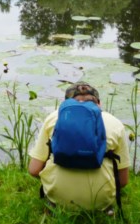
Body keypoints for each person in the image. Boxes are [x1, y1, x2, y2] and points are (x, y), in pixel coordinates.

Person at [28, 82, 130, 213]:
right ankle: (104, 208)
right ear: (98, 103)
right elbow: (123, 180)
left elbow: (34, 170)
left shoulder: (53, 118)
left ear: (66, 103)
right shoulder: (115, 123)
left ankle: (55, 203)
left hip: (58, 198)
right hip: (100, 201)